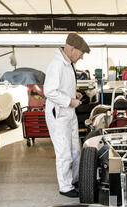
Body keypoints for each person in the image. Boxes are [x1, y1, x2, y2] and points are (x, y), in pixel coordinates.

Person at [44, 33, 90, 198]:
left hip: (69, 112)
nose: (82, 57)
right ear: (71, 49)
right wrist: (69, 101)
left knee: (75, 150)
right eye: (80, 53)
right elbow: (49, 91)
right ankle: (65, 186)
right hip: (59, 114)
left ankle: (75, 179)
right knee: (64, 152)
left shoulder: (68, 63)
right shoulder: (57, 64)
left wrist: (74, 94)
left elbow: (61, 87)